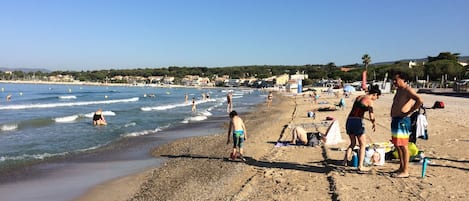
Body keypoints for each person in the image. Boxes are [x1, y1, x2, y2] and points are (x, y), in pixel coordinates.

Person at [390, 71, 423, 178]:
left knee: (403, 145)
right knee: (397, 145)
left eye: (396, 80)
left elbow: (419, 100)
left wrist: (410, 111)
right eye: (393, 80)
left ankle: (405, 170)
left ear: (403, 79)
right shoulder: (399, 90)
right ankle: (401, 167)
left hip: (403, 120)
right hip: (396, 120)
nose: (394, 82)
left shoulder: (407, 90)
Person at [343, 86, 381, 171]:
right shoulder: (370, 101)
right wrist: (374, 123)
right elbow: (371, 115)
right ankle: (360, 166)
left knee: (352, 143)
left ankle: (344, 161)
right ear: (374, 94)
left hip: (349, 120)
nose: (376, 99)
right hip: (357, 122)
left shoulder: (359, 97)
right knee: (362, 144)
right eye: (377, 97)